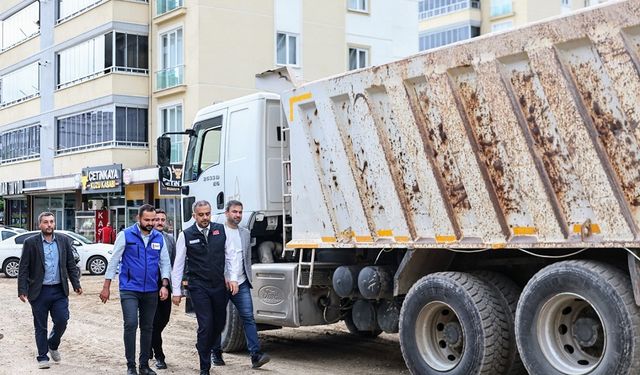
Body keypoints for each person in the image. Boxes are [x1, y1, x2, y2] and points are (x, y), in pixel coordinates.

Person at [100, 204, 171, 375]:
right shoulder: (125, 235)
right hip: (129, 289)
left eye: (153, 220)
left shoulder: (158, 238)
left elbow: (165, 263)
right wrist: (106, 287)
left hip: (151, 290)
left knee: (148, 327)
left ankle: (144, 365)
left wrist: (164, 285)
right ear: (138, 219)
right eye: (147, 219)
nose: (151, 223)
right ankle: (131, 366)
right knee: (131, 324)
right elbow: (114, 261)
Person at [17, 211, 83, 369]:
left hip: (59, 290)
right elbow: (23, 267)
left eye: (51, 222)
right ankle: (42, 356)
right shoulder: (30, 242)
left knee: (62, 320)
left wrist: (76, 284)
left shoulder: (63, 240)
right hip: (39, 291)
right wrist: (22, 289)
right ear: (39, 225)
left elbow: (70, 265)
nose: (49, 225)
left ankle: (52, 344)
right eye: (45, 222)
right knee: (40, 325)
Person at [211, 200, 270, 368]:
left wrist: (244, 277)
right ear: (226, 213)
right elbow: (217, 258)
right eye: (234, 211)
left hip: (242, 282)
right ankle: (216, 353)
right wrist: (226, 277)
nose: (237, 215)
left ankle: (255, 356)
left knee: (248, 318)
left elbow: (246, 257)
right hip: (222, 283)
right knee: (218, 319)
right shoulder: (217, 231)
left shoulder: (245, 233)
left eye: (240, 212)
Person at [171, 200, 228, 375]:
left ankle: (203, 344)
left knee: (220, 323)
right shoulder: (186, 234)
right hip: (198, 286)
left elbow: (230, 255)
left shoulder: (221, 230)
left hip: (219, 286)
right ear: (194, 215)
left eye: (207, 214)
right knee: (205, 324)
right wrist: (176, 291)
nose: (205, 218)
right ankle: (205, 367)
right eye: (201, 214)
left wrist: (231, 278)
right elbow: (178, 265)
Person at [149, 209, 176, 370]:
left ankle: (151, 343)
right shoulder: (146, 237)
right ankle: (159, 355)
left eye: (162, 219)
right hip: (149, 286)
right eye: (156, 219)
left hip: (166, 285)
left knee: (163, 320)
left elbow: (173, 263)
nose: (159, 222)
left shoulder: (170, 239)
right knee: (152, 322)